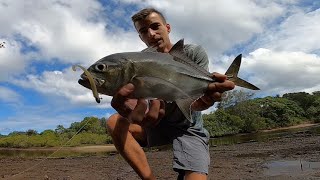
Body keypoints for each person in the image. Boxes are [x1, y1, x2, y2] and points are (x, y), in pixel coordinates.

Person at [106, 8, 235, 180]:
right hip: (155, 124)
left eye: (155, 26)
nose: (151, 34)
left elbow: (196, 97)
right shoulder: (138, 60)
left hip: (188, 128)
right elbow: (138, 97)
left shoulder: (192, 52)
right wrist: (131, 108)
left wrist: (202, 102)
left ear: (167, 27)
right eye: (144, 31)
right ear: (140, 37)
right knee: (115, 121)